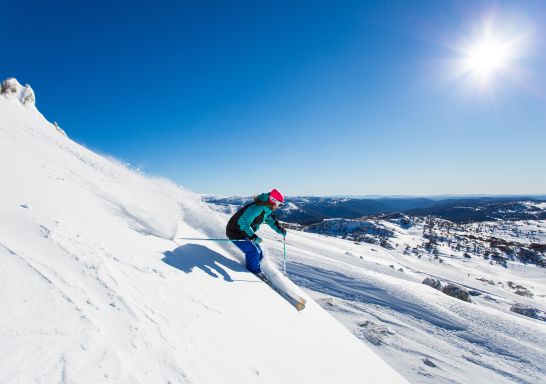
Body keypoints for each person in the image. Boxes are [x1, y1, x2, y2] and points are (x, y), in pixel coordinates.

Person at [226, 189, 287, 277]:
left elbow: (271, 220)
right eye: (279, 204)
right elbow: (243, 222)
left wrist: (280, 229)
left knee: (259, 251)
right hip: (235, 232)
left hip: (244, 232)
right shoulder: (257, 208)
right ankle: (254, 272)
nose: (279, 207)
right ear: (273, 200)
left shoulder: (267, 209)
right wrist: (252, 236)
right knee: (254, 251)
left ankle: (258, 267)